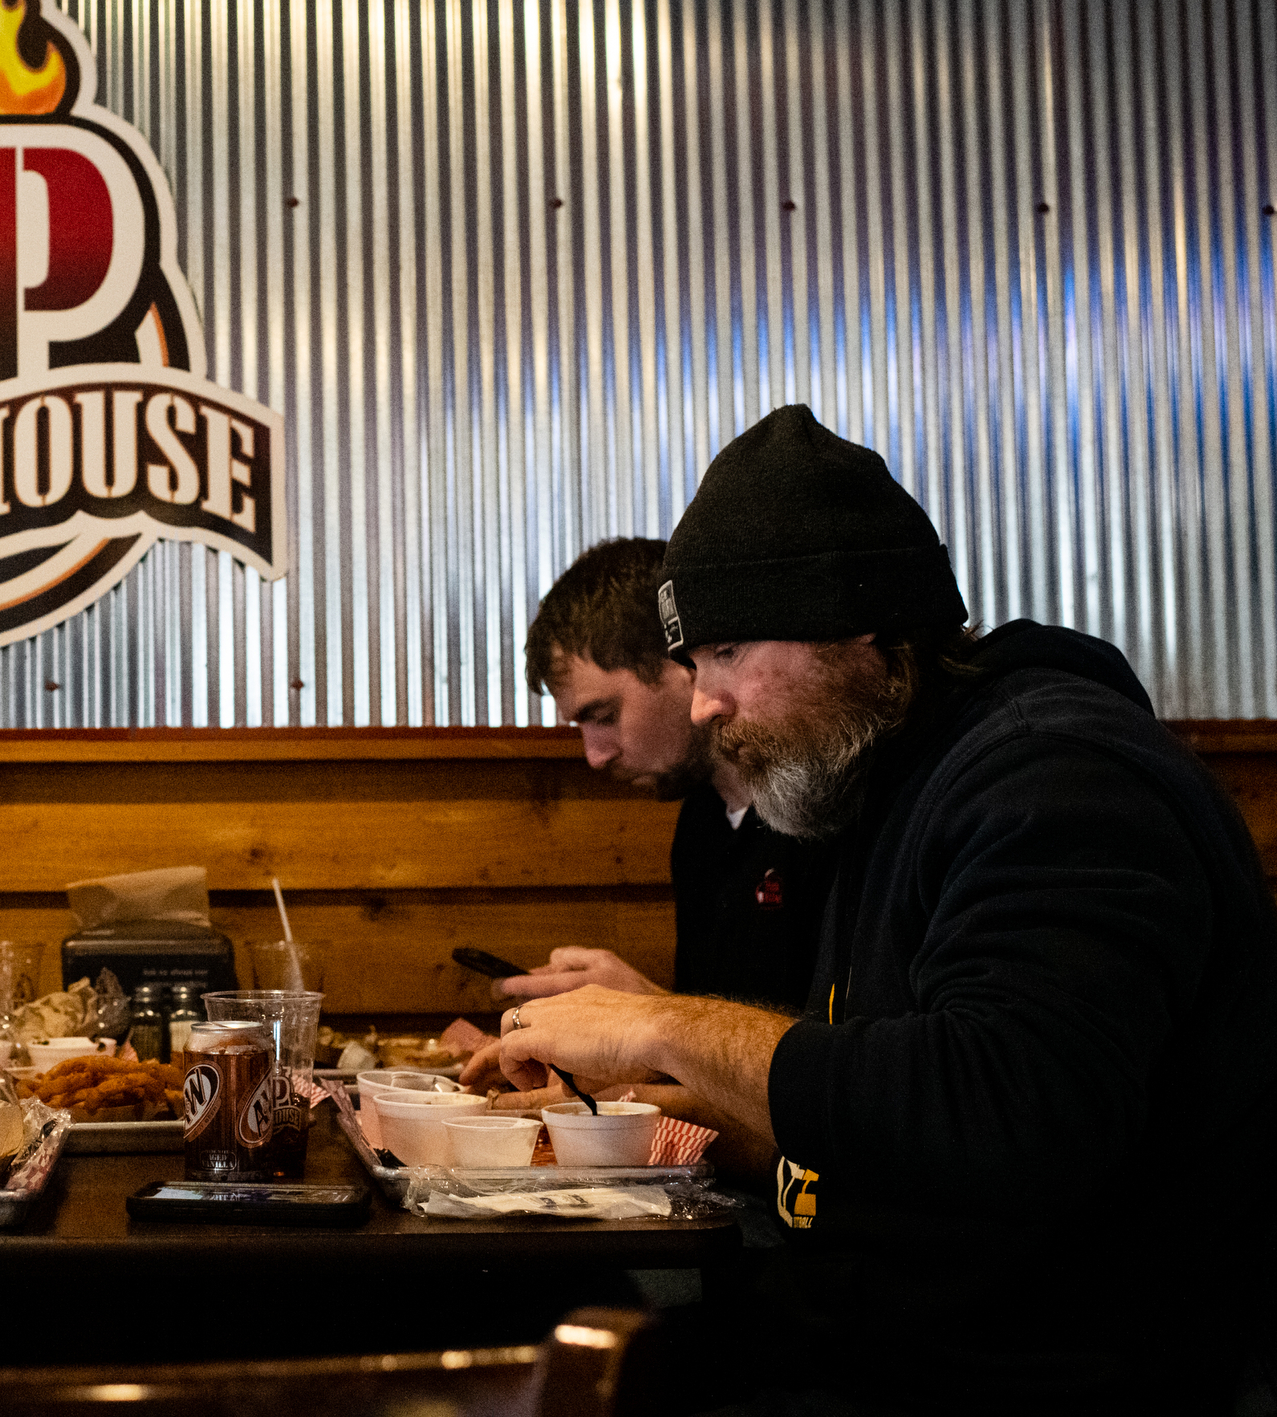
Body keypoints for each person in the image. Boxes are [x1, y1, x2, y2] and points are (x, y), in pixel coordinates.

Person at [475, 406, 1277, 1413]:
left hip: (1044, 1374)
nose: (707, 703)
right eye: (692, 667)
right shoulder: (884, 784)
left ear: (862, 624)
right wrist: (667, 1113)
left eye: (724, 652)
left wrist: (659, 1024)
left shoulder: (1059, 775)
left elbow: (1003, 1110)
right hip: (885, 1335)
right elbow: (879, 1128)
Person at [510, 537, 829, 1013]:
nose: (594, 756)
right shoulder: (701, 822)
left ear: (683, 664)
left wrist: (653, 1016)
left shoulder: (821, 810)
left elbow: (841, 1066)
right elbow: (713, 1073)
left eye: (604, 715)